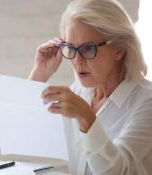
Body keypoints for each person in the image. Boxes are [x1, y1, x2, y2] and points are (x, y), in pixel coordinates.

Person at [29, 0, 152, 174]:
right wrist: (40, 73)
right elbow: (28, 132)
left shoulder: (147, 101)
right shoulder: (80, 91)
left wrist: (86, 117)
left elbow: (118, 170)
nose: (77, 60)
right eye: (70, 47)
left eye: (87, 48)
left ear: (118, 49)